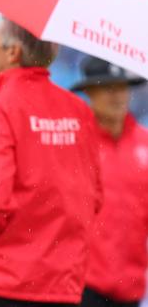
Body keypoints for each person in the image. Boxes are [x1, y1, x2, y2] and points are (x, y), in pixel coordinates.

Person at [0, 18, 102, 306]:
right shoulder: (79, 109)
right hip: (61, 285)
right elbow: (94, 197)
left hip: (0, 282)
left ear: (14, 53)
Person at [71, 57, 148, 307]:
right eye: (108, 87)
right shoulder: (74, 142)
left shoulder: (145, 143)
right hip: (81, 286)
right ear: (89, 92)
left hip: (131, 289)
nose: (118, 96)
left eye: (122, 86)